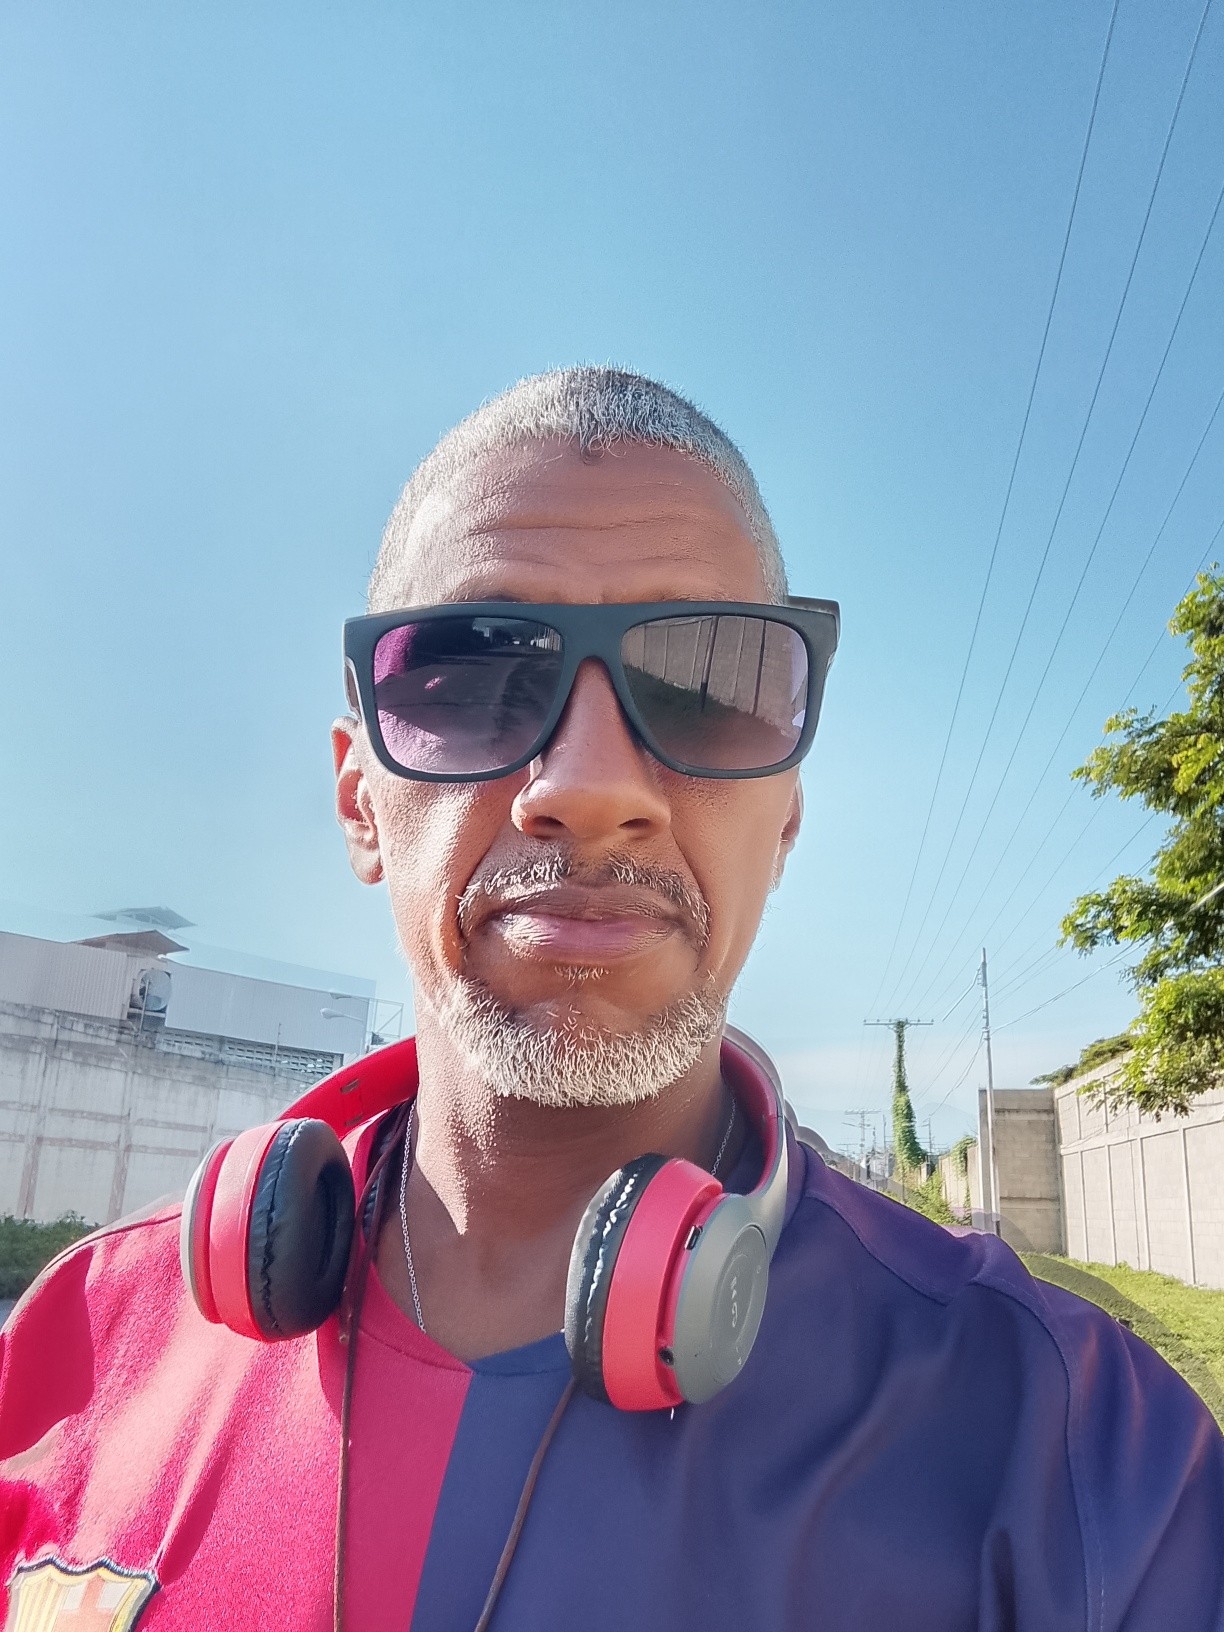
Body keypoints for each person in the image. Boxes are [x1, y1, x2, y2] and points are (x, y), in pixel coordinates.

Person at [0, 368, 1221, 1632]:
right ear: (362, 800)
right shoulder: (72, 1353)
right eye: (473, 676)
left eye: (707, 687)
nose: (589, 788)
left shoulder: (1086, 1465)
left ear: (785, 819)